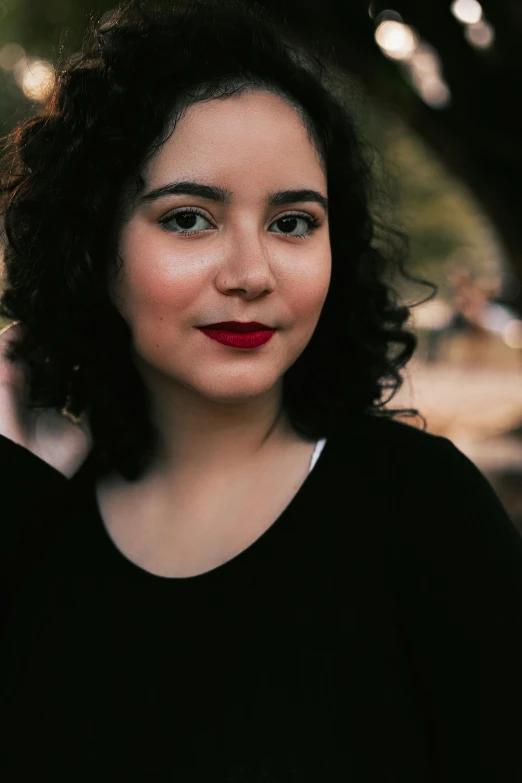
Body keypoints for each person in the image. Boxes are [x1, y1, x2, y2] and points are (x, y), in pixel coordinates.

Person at [0, 0, 521, 780]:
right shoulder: (32, 543)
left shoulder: (422, 511)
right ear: (94, 244)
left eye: (292, 223)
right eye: (188, 218)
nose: (250, 273)